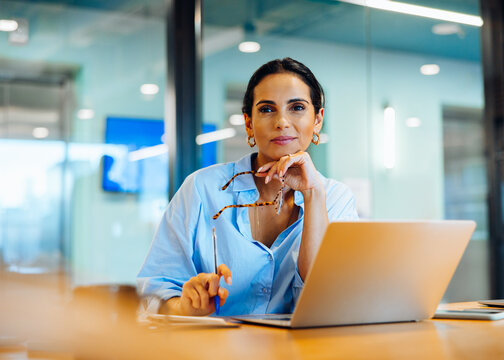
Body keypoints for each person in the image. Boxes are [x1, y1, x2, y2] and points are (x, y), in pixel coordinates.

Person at [137, 57, 358, 316]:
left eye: (297, 107)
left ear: (318, 119)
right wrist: (185, 306)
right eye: (266, 109)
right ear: (248, 123)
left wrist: (312, 194)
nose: (282, 122)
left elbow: (328, 296)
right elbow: (152, 294)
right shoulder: (201, 189)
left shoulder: (335, 198)